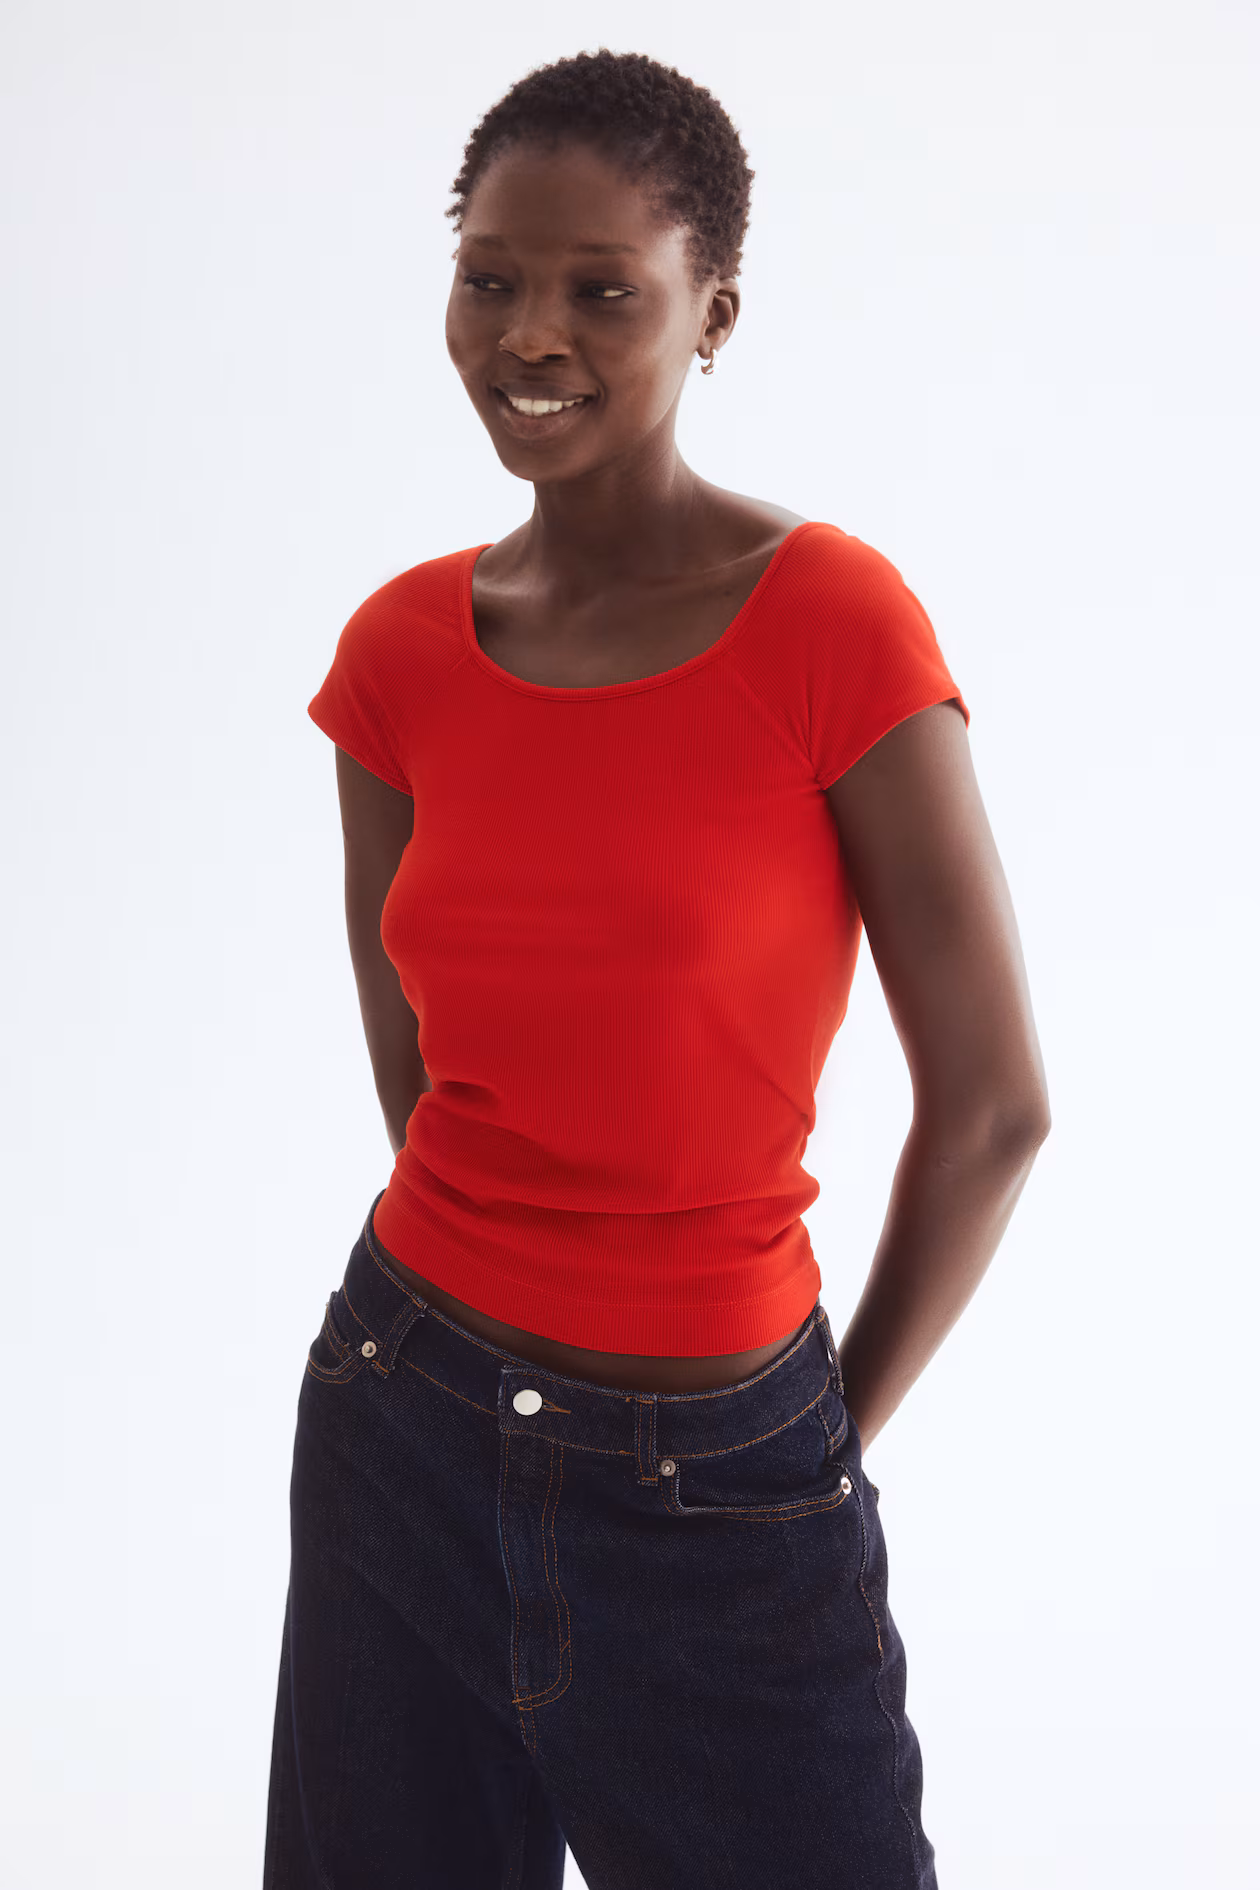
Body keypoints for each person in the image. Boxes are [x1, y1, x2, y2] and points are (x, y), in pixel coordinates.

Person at [263, 47, 1051, 1890]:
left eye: (602, 290)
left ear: (715, 314)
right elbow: (421, 1075)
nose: (530, 333)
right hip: (399, 1420)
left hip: (725, 1475)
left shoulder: (833, 624)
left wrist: (806, 1449)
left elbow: (996, 1108)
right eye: (489, 278)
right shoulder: (398, 656)